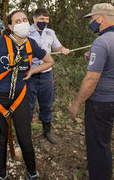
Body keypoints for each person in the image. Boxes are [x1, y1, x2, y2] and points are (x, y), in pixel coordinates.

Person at [68, 3, 114, 180]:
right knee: (103, 139)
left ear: (102, 18)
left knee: (97, 145)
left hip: (102, 101)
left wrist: (76, 104)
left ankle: (100, 175)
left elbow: (91, 79)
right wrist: (94, 56)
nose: (90, 22)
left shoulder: (102, 41)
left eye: (92, 19)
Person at [0, 10, 54, 180]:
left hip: (20, 96)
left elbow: (50, 61)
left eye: (25, 19)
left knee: (25, 137)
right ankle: (2, 174)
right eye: (17, 21)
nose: (23, 23)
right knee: (1, 139)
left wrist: (33, 70)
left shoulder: (31, 44)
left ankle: (32, 172)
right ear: (10, 26)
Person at [27, 8, 70, 144]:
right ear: (34, 19)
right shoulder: (26, 32)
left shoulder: (50, 33)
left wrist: (63, 49)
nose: (44, 22)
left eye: (46, 19)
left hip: (46, 74)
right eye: (41, 19)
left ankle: (47, 132)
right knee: (28, 105)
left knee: (47, 103)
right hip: (30, 74)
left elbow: (57, 46)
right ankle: (26, 134)